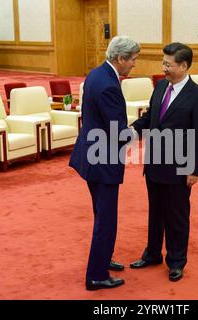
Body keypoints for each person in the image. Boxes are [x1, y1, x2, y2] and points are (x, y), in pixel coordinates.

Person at [130, 43, 198, 282]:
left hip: (179, 168)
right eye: (163, 63)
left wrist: (194, 170)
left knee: (176, 216)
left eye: (168, 64)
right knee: (155, 213)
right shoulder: (160, 87)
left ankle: (176, 261)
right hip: (154, 164)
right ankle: (152, 254)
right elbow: (150, 117)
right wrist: (133, 131)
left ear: (184, 66)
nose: (163, 68)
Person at [69, 36, 140, 291]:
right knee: (106, 219)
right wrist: (139, 129)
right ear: (120, 58)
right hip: (102, 160)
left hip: (91, 156)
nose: (134, 65)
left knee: (101, 214)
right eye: (132, 60)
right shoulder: (109, 85)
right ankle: (97, 275)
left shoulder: (96, 74)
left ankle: (103, 257)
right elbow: (118, 133)